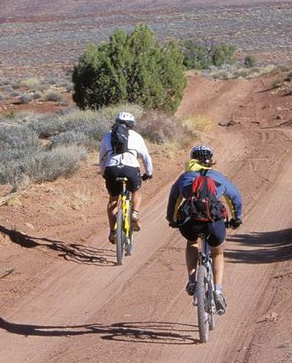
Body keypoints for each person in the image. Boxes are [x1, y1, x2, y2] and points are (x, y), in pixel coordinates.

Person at [165, 144, 243, 314]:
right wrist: (237, 219)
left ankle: (193, 280)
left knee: (192, 242)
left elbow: (174, 199)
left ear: (192, 158)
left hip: (190, 223)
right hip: (213, 223)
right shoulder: (218, 177)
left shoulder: (185, 177)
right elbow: (234, 197)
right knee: (217, 252)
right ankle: (218, 290)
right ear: (211, 161)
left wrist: (171, 219)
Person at [98, 111, 153, 244]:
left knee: (113, 200)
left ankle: (112, 232)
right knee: (136, 191)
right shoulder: (136, 136)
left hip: (112, 169)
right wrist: (149, 173)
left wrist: (104, 172)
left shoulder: (107, 136)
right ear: (131, 124)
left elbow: (101, 158)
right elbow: (146, 157)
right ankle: (134, 213)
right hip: (131, 168)